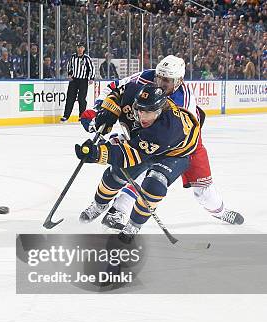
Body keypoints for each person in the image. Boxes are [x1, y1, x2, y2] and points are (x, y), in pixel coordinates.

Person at [82, 55, 243, 229]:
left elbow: (165, 136)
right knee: (140, 169)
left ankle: (220, 211)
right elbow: (115, 88)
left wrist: (126, 145)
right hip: (150, 133)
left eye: (166, 80)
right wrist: (100, 111)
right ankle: (118, 210)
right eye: (159, 77)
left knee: (204, 192)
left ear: (178, 81)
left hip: (184, 143)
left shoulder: (183, 101)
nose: (159, 83)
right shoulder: (146, 77)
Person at [75, 83, 200, 241]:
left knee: (154, 187)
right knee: (116, 175)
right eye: (139, 110)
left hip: (174, 153)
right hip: (144, 142)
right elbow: (117, 94)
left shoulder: (167, 128)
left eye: (149, 112)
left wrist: (96, 153)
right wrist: (106, 114)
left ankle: (133, 225)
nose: (142, 117)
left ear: (160, 110)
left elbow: (129, 154)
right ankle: (99, 204)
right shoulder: (134, 93)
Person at [60, 42, 94, 122]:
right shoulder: (73, 57)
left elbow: (91, 68)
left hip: (83, 80)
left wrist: (91, 78)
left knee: (81, 98)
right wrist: (70, 74)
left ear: (84, 49)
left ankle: (82, 115)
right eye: (78, 47)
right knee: (70, 98)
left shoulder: (86, 58)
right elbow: (69, 66)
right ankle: (66, 116)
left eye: (81, 47)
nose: (79, 49)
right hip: (74, 80)